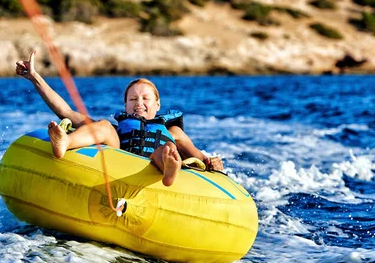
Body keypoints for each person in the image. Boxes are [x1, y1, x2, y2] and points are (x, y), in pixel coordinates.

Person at [15, 51, 223, 187]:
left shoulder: (174, 133)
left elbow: (200, 159)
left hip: (156, 162)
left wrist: (212, 163)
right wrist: (35, 77)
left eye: (145, 98)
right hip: (121, 159)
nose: (138, 102)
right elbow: (66, 112)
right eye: (132, 99)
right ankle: (65, 143)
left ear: (157, 105)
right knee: (103, 126)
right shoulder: (115, 129)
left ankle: (170, 169)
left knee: (167, 149)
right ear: (125, 106)